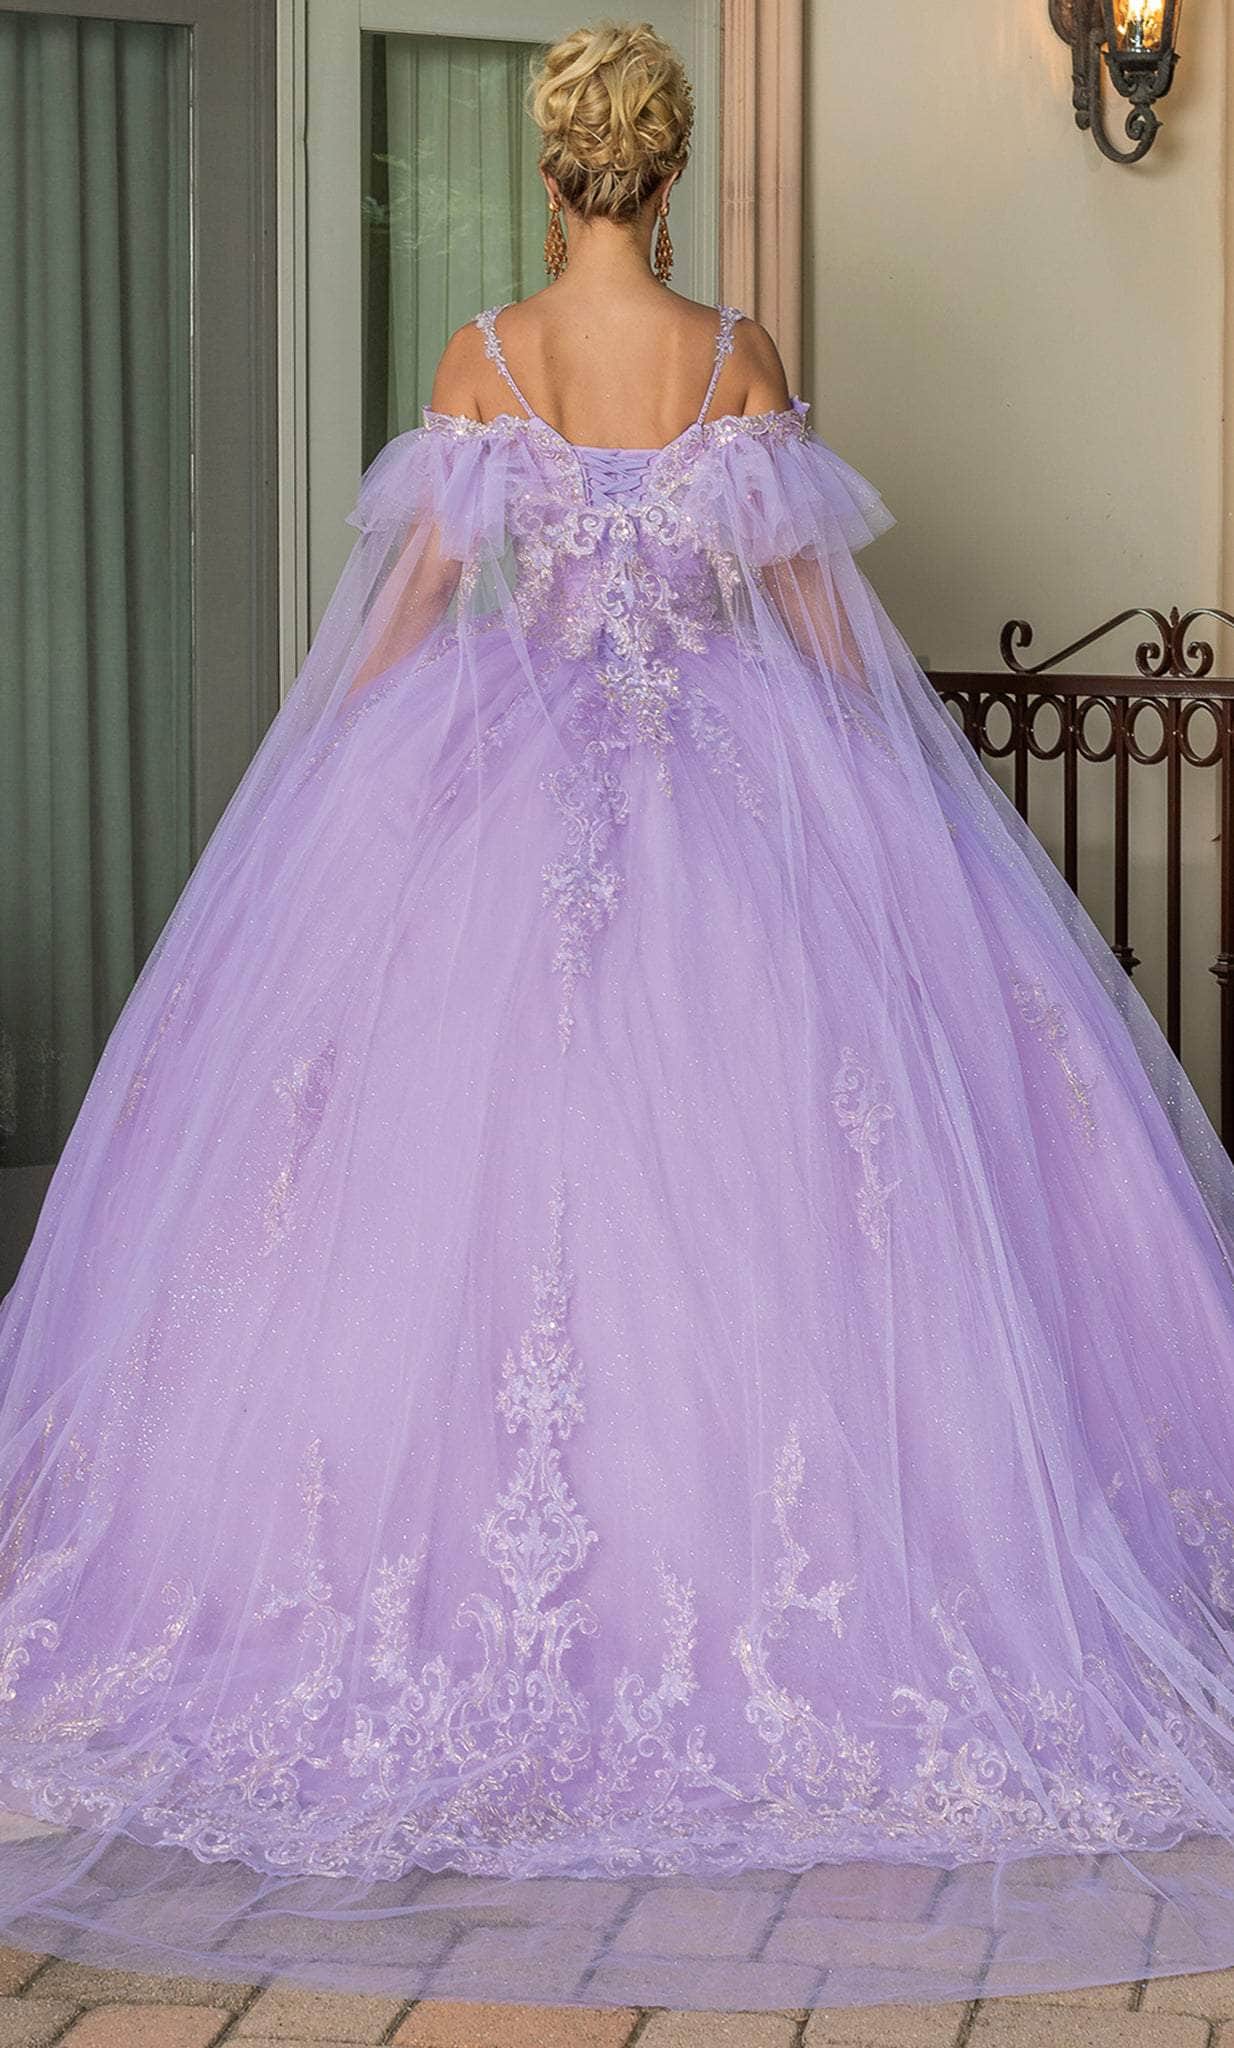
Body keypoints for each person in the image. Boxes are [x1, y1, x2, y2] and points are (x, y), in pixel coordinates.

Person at [2, 15, 1234, 2017]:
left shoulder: (480, 364)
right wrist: (902, 811)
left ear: (550, 165)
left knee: (448, 1197)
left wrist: (329, 799)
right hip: (725, 796)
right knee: (768, 1209)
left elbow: (405, 619)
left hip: (495, 797)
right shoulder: (732, 355)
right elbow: (816, 631)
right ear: (663, 174)